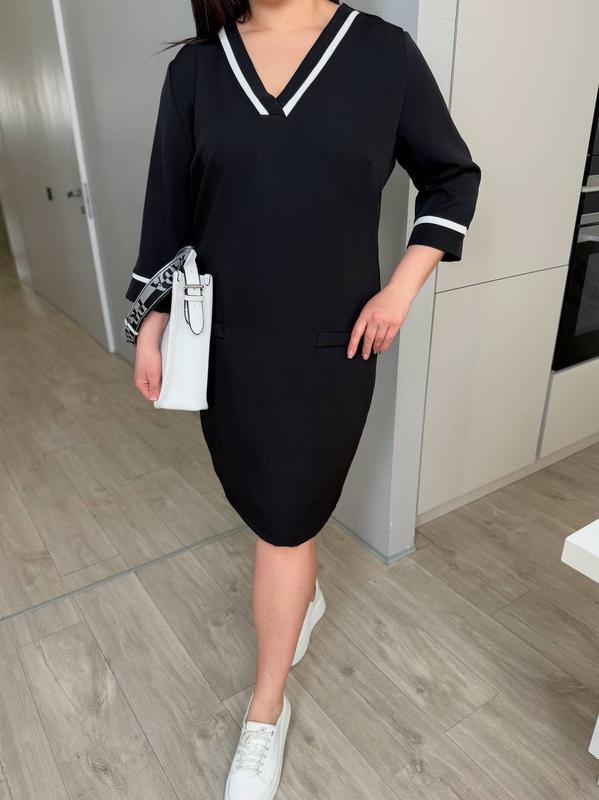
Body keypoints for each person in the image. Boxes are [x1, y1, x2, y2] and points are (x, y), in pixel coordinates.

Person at [125, 1, 481, 797]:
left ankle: (264, 712)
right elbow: (167, 213)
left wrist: (399, 290)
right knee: (269, 513)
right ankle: (301, 600)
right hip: (229, 350)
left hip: (330, 348)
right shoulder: (198, 71)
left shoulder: (381, 55)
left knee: (285, 523)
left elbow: (452, 176)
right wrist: (150, 325)